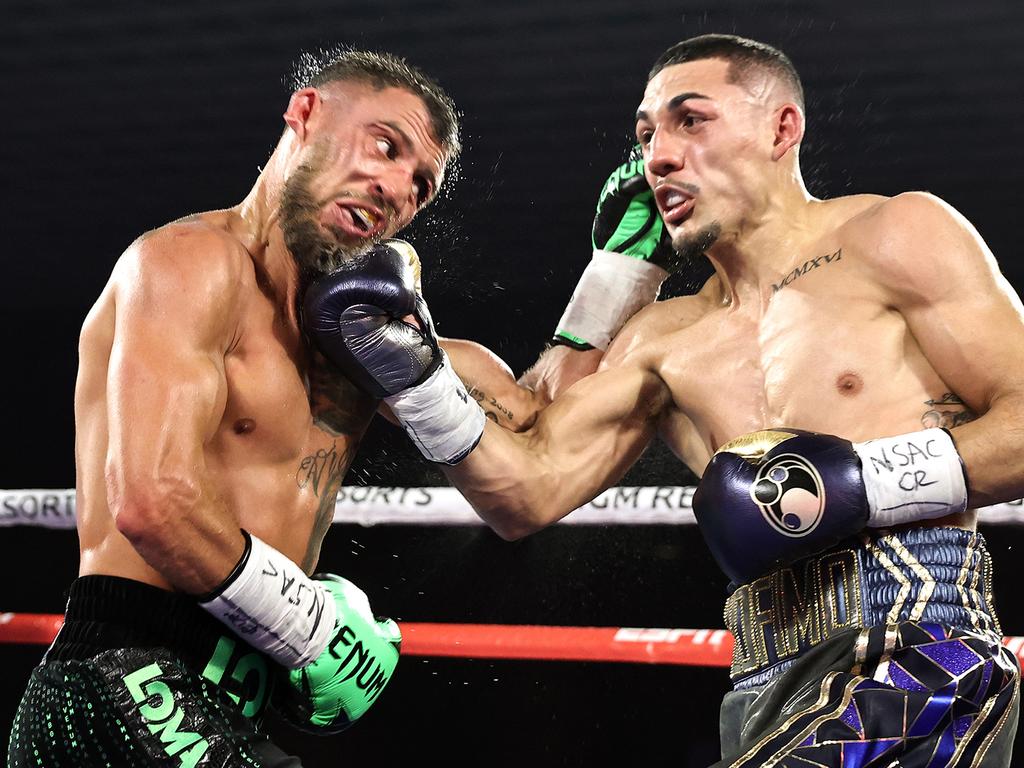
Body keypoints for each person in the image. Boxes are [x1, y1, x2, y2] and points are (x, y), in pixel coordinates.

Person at [308, 34, 1022, 766]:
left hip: (918, 659)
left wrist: (861, 485)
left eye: (691, 120)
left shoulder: (893, 236)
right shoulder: (667, 339)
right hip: (763, 684)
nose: (659, 154)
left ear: (781, 129)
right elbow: (525, 488)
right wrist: (415, 378)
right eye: (646, 134)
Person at [7, 48, 463, 768]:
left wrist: (619, 275)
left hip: (225, 699)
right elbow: (153, 503)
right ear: (306, 114)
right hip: (121, 682)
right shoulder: (190, 263)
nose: (397, 186)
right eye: (385, 143)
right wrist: (313, 629)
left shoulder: (357, 345)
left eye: (420, 184)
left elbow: (528, 430)